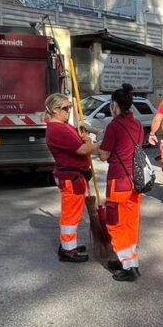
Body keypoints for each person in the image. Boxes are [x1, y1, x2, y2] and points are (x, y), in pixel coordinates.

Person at [97, 84, 144, 282]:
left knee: (116, 225)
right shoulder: (139, 124)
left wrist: (95, 146)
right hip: (136, 182)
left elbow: (104, 155)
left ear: (114, 105)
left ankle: (128, 266)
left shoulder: (114, 126)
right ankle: (129, 260)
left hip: (118, 182)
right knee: (131, 224)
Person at [44, 93, 97, 263]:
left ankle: (70, 246)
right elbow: (82, 150)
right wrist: (94, 145)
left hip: (76, 176)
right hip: (71, 176)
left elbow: (81, 144)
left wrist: (84, 139)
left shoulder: (64, 126)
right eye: (65, 108)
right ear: (55, 110)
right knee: (70, 215)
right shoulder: (57, 130)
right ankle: (67, 250)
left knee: (74, 213)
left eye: (70, 107)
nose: (68, 111)